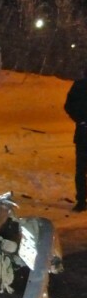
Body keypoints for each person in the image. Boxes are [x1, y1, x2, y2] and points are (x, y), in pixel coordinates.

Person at [64, 71, 87, 212]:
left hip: (82, 132)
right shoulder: (79, 86)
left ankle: (81, 201)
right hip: (82, 131)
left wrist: (80, 120)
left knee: (81, 169)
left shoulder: (78, 86)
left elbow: (68, 106)